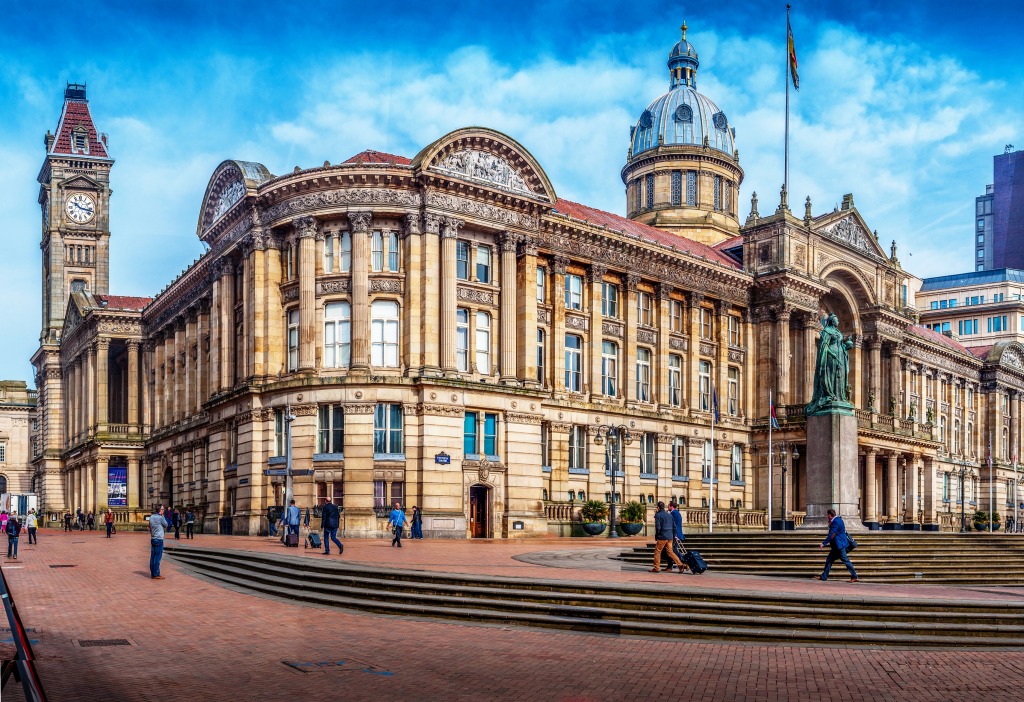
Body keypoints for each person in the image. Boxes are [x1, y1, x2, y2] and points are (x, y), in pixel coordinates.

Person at [815, 508, 858, 582]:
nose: (826, 516)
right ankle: (824, 576)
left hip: (839, 546)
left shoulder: (836, 522)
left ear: (829, 515)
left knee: (846, 560)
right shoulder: (838, 520)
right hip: (837, 545)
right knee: (829, 559)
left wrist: (823, 543)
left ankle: (855, 576)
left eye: (827, 515)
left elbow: (832, 534)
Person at [650, 502, 685, 574]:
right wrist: (673, 535)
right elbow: (674, 527)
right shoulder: (669, 515)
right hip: (670, 537)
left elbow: (658, 527)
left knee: (657, 551)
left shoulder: (658, 515)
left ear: (658, 507)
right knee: (670, 552)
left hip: (662, 536)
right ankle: (680, 565)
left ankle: (656, 567)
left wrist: (657, 536)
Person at [665, 501, 688, 573]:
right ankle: (669, 566)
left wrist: (675, 535)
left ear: (671, 506)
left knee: (673, 551)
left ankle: (685, 561)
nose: (667, 507)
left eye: (668, 506)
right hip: (675, 534)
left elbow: (673, 525)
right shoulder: (677, 513)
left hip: (675, 535)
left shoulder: (673, 513)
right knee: (670, 550)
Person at [148, 505, 170, 579]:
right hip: (159, 539)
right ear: (160, 510)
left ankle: (152, 573)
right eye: (163, 509)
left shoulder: (151, 517)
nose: (164, 511)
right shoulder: (160, 518)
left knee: (153, 556)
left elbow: (150, 527)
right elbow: (166, 524)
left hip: (153, 538)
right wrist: (163, 516)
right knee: (158, 557)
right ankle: (156, 574)